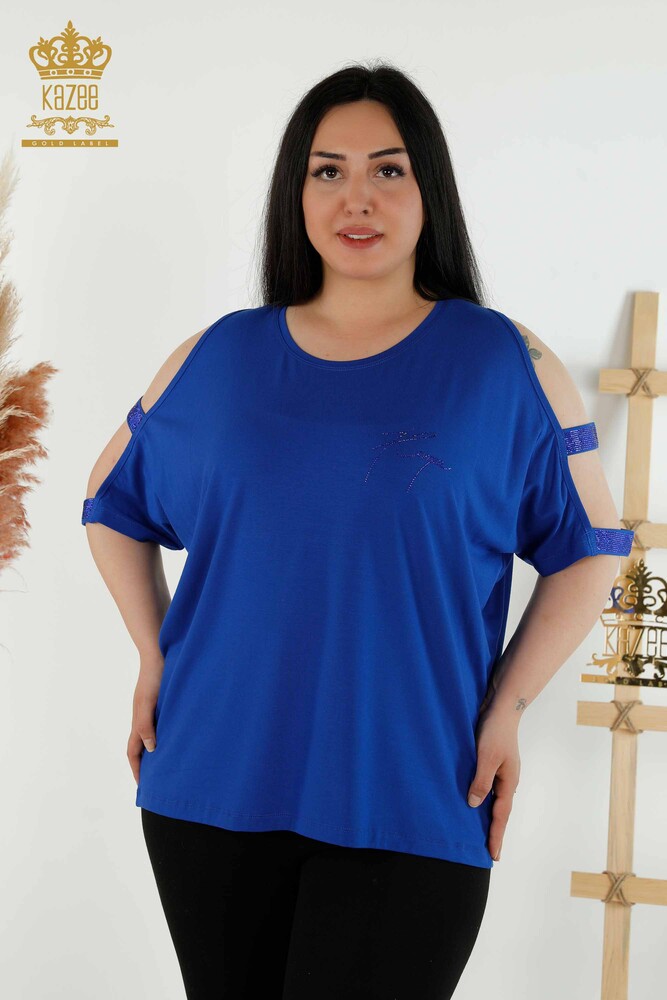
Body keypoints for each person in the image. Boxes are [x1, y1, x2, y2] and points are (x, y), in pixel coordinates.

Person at [81, 61, 634, 1000]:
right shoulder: (219, 354)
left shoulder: (501, 360)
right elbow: (109, 503)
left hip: (416, 789)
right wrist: (152, 653)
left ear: (429, 189)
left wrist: (507, 708)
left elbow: (591, 545)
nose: (357, 198)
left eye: (388, 169)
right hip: (210, 779)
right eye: (326, 171)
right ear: (295, 193)